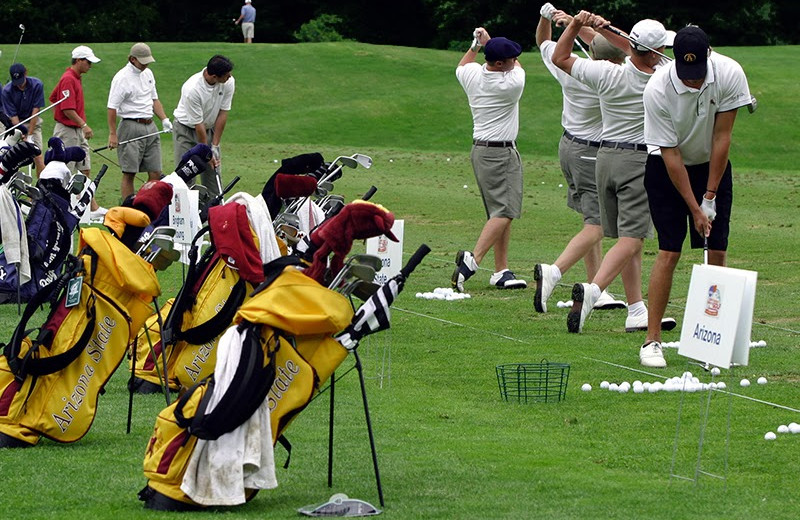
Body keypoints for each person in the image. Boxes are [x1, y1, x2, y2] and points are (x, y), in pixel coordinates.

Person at [552, 12, 676, 334]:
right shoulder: (662, 77)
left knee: (626, 239)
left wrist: (581, 26)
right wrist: (601, 29)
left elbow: (560, 56)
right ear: (653, 52)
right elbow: (643, 55)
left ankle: (636, 309)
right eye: (661, 47)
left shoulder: (606, 73)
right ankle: (593, 291)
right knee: (633, 238)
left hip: (604, 158)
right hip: (636, 161)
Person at [639, 26, 751, 368]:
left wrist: (710, 196)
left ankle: (711, 340)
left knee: (716, 250)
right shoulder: (657, 88)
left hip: (711, 166)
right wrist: (695, 207)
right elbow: (670, 155)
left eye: (698, 74)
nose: (693, 82)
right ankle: (652, 340)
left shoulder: (729, 73)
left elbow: (722, 137)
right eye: (686, 76)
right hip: (666, 170)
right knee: (669, 250)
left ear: (709, 56)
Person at [533, 5, 627, 313]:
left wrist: (557, 21)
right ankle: (555, 271)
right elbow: (608, 50)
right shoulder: (614, 75)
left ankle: (597, 287)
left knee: (590, 219)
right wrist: (581, 27)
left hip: (569, 146)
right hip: (592, 153)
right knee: (598, 225)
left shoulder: (572, 66)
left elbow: (544, 42)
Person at [451, 28, 528, 292]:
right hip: (500, 154)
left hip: (481, 151)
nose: (513, 61)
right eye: (508, 59)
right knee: (506, 211)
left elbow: (463, 64)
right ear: (498, 63)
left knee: (498, 213)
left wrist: (477, 44)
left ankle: (501, 270)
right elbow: (517, 66)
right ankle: (473, 261)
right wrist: (488, 42)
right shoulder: (511, 83)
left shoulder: (472, 74)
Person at [107, 43, 173, 201]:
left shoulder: (148, 74)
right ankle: (129, 208)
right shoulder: (121, 78)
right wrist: (113, 134)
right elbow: (112, 107)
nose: (145, 64)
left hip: (150, 126)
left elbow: (154, 99)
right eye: (142, 61)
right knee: (129, 172)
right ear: (132, 59)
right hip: (130, 125)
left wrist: (164, 119)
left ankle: (147, 204)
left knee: (156, 171)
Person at [50, 45, 106, 220]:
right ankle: (60, 207)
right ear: (79, 61)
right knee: (66, 170)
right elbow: (67, 108)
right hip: (68, 130)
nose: (90, 65)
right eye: (88, 62)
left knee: (85, 169)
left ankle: (90, 206)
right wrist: (84, 125)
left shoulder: (76, 78)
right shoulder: (68, 79)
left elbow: (53, 97)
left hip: (76, 130)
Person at [172, 55, 235, 198]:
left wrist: (214, 146)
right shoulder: (192, 89)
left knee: (213, 174)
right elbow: (198, 124)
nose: (230, 77)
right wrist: (205, 151)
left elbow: (223, 113)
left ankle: (215, 215)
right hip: (186, 131)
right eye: (226, 75)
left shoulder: (228, 82)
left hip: (209, 129)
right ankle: (185, 216)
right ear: (214, 76)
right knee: (186, 175)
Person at [1, 63, 46, 176]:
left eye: (21, 81)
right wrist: (23, 135)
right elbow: (13, 117)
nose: (20, 85)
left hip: (33, 123)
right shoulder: (7, 91)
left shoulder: (37, 85)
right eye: (17, 82)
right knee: (7, 154)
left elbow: (36, 111)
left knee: (38, 154)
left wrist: (30, 135)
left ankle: (42, 185)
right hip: (14, 125)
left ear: (26, 73)